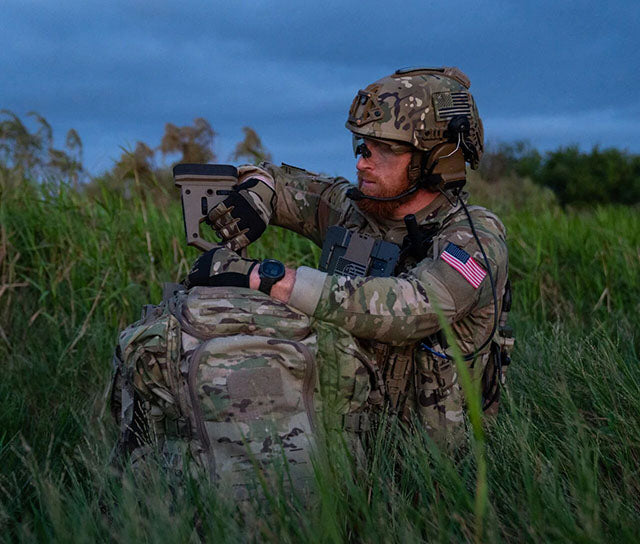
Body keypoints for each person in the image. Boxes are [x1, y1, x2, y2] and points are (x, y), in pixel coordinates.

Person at [184, 67, 511, 448]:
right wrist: (257, 193)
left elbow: (413, 307)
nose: (362, 162)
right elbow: (279, 181)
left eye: (385, 149)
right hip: (345, 444)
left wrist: (268, 278)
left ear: (436, 158)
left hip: (432, 476)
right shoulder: (356, 209)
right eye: (363, 145)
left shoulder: (475, 239)